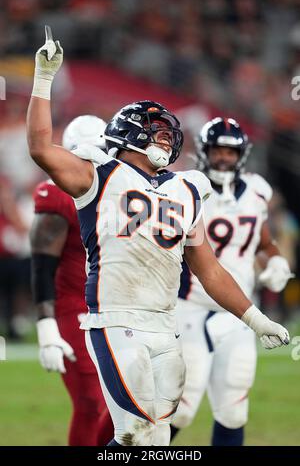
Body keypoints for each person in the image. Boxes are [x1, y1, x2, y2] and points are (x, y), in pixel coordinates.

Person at [26, 27, 290, 447]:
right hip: (115, 317)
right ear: (128, 133)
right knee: (133, 432)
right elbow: (41, 148)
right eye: (155, 129)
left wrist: (255, 319)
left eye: (168, 130)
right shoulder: (100, 174)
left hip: (165, 324)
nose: (165, 135)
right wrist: (43, 79)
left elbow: (210, 270)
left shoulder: (185, 189)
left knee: (159, 437)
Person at [171, 117, 294, 446]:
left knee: (234, 410)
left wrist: (277, 260)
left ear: (241, 154)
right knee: (179, 409)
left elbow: (265, 243)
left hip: (239, 313)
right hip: (188, 307)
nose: (223, 157)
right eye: (217, 150)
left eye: (230, 151)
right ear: (204, 152)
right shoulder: (185, 186)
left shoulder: (257, 190)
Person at [30, 114, 113, 446]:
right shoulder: (57, 194)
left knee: (127, 406)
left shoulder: (122, 188)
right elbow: (41, 264)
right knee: (91, 403)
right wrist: (46, 326)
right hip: (74, 308)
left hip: (117, 306)